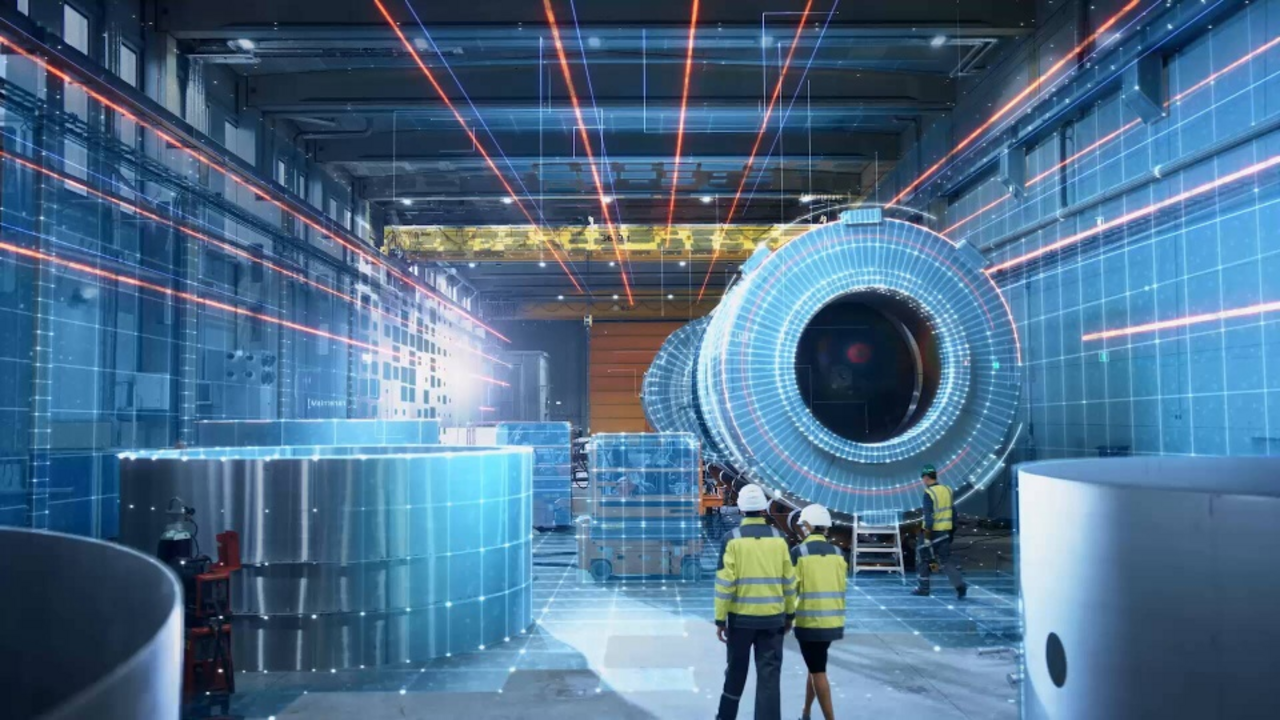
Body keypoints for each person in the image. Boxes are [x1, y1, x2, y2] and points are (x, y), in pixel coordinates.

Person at [714, 484, 797, 720]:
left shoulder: (732, 539)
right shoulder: (780, 539)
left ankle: (725, 717)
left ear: (741, 508)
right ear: (764, 509)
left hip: (740, 621)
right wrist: (789, 614)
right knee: (769, 678)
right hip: (773, 619)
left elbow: (724, 584)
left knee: (735, 673)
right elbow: (789, 581)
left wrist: (721, 619)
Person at [791, 504, 846, 720]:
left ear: (807, 525)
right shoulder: (838, 553)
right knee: (815, 666)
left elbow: (791, 588)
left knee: (818, 671)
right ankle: (805, 713)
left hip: (809, 623)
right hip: (832, 621)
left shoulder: (799, 552)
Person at [911, 464, 967, 598]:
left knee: (922, 559)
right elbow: (953, 512)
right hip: (945, 532)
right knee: (945, 561)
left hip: (931, 532)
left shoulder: (929, 493)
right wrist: (951, 531)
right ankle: (960, 585)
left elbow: (929, 517)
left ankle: (923, 588)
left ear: (925, 478)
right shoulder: (947, 490)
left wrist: (926, 537)